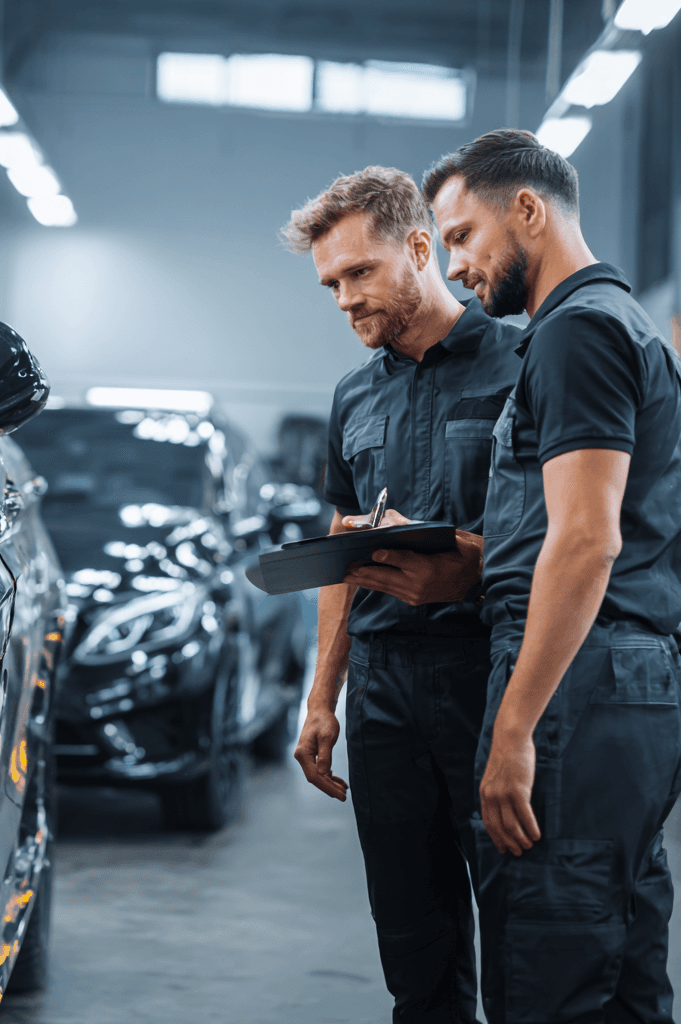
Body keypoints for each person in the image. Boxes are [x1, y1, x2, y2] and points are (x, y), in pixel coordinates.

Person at [418, 129, 681, 1024]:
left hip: (576, 685)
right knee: (619, 968)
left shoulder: (575, 332)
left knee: (549, 973)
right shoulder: (627, 327)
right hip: (627, 679)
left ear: (527, 209)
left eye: (460, 235)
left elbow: (587, 542)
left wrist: (513, 728)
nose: (452, 265)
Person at [285, 166, 522, 1024]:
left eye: (359, 273)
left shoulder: (522, 364)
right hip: (384, 695)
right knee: (414, 951)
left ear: (421, 248)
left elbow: (566, 539)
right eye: (331, 285)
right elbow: (340, 562)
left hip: (488, 678)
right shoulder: (353, 397)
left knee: (521, 940)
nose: (344, 299)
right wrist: (322, 702)